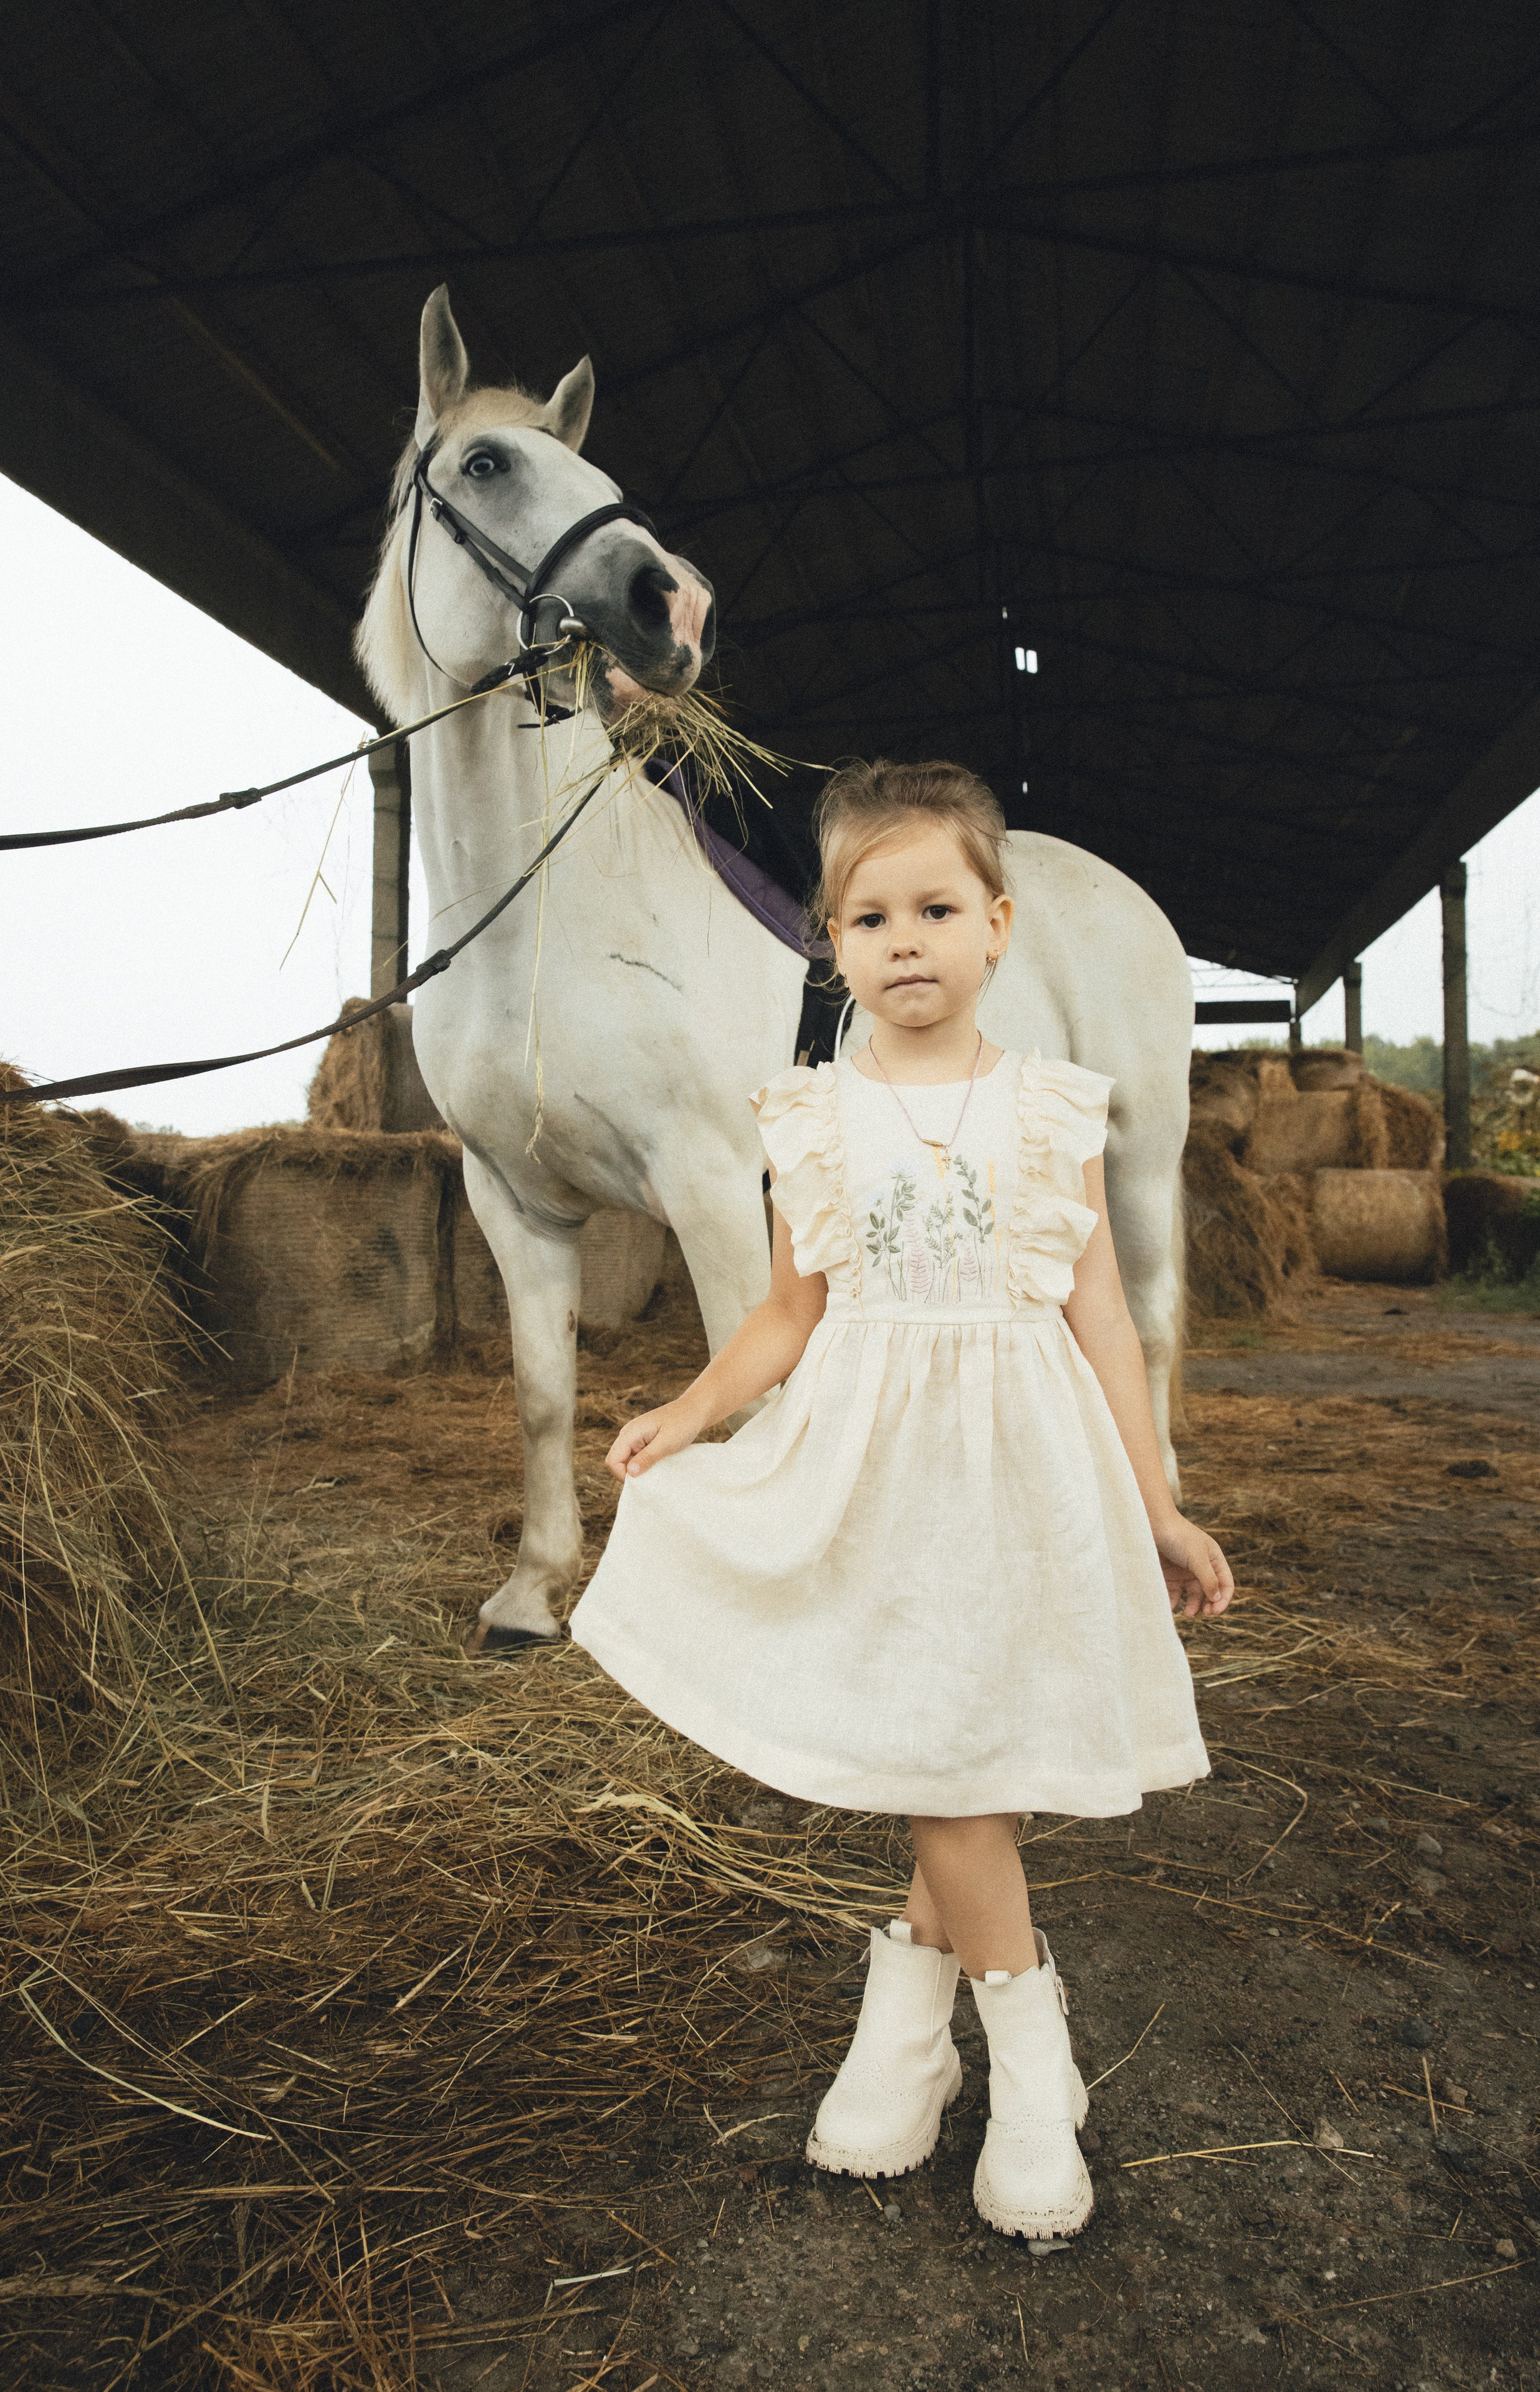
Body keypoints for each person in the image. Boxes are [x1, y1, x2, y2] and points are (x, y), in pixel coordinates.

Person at [569, 758, 1232, 2239]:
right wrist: (686, 1410)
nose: (904, 939)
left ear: (997, 925)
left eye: (935, 906)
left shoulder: (1053, 1108)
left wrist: (1155, 1498)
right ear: (831, 943)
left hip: (1022, 1473)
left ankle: (951, 2047)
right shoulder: (808, 1116)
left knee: (953, 1760)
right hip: (875, 1475)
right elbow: (785, 1314)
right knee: (944, 1758)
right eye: (868, 917)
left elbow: (1105, 1322)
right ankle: (997, 2054)